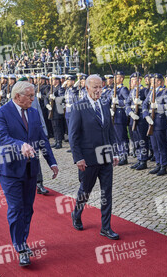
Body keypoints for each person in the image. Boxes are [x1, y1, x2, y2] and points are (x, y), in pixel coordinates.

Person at [0, 81, 59, 266]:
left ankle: (22, 239)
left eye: (33, 95)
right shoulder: (1, 113)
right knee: (16, 208)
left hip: (31, 169)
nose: (33, 99)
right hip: (10, 169)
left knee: (28, 208)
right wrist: (20, 145)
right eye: (29, 96)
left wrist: (51, 162)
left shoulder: (34, 112)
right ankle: (21, 247)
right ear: (17, 97)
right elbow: (3, 137)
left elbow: (43, 140)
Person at [68, 74, 120, 240]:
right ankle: (76, 214)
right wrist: (78, 158)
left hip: (105, 157)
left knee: (107, 193)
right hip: (88, 159)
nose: (98, 90)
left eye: (100, 87)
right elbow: (73, 136)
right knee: (85, 191)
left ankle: (106, 227)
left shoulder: (104, 104)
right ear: (87, 88)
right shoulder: (79, 107)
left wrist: (116, 152)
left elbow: (110, 130)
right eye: (95, 87)